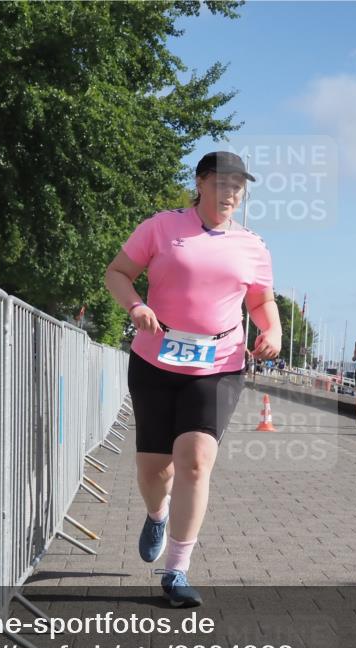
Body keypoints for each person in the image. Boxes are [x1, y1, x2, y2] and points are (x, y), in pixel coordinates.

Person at [104, 151, 282, 607]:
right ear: (201, 182)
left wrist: (273, 329)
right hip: (156, 359)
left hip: (219, 363)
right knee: (154, 471)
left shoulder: (253, 246)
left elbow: (262, 301)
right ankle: (156, 513)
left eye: (239, 187)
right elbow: (118, 273)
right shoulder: (161, 227)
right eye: (223, 183)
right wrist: (137, 306)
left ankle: (177, 571)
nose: (232, 193)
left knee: (196, 459)